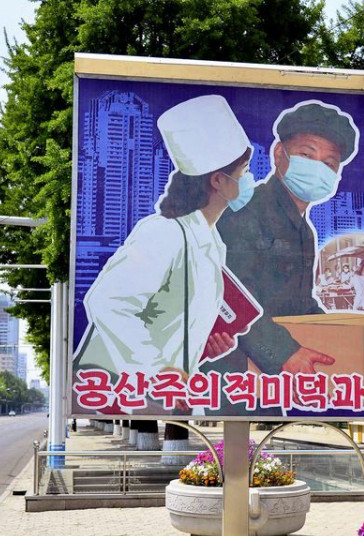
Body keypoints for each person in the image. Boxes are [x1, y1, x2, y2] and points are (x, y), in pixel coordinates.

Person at [73, 95, 253, 409]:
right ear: (218, 181)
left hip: (161, 397)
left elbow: (170, 322)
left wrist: (204, 347)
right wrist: (158, 371)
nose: (249, 180)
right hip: (121, 390)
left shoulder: (212, 242)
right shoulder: (164, 232)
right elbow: (106, 301)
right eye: (244, 172)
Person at [206, 100, 359, 380]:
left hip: (278, 375)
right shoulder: (248, 211)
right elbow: (228, 296)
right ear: (279, 153)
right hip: (237, 369)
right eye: (306, 154)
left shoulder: (305, 232)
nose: (317, 169)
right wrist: (284, 352)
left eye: (328, 163)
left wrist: (340, 333)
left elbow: (298, 303)